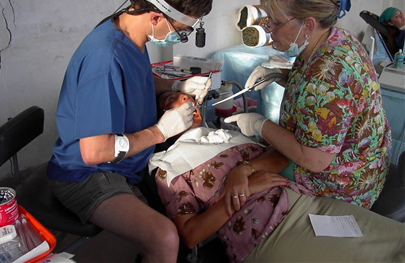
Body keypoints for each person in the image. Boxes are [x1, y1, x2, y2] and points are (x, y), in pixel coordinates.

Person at [46, 0, 212, 263]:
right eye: (181, 30)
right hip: (87, 173)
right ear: (155, 17)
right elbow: (95, 152)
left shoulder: (130, 32)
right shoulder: (104, 59)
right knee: (164, 237)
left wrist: (173, 89)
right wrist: (162, 131)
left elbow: (137, 75)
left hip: (126, 162)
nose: (181, 36)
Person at [151, 92, 404, 263]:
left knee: (397, 242)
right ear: (162, 117)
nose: (186, 98)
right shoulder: (168, 166)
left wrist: (245, 168)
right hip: (265, 233)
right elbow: (191, 234)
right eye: (173, 99)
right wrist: (246, 189)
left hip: (308, 203)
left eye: (187, 95)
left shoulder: (227, 134)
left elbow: (282, 157)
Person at [225, 0, 392, 210]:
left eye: (276, 22)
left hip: (344, 183)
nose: (268, 27)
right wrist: (279, 76)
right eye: (267, 18)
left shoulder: (330, 71)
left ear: (308, 24)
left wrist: (259, 124)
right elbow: (316, 92)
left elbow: (314, 160)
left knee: (246, 194)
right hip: (365, 162)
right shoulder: (333, 38)